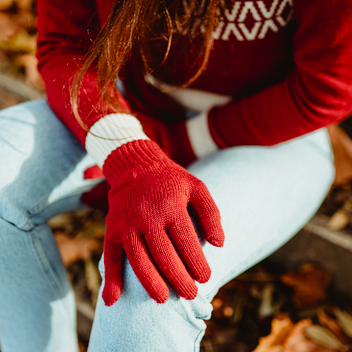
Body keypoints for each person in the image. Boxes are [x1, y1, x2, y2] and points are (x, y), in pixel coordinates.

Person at [0, 0, 351, 351]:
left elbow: (325, 90)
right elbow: (66, 46)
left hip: (278, 126)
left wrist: (174, 144)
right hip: (130, 101)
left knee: (155, 276)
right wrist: (128, 153)